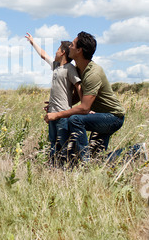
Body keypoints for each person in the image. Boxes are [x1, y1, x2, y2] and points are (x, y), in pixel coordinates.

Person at [44, 31, 125, 162]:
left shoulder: (93, 73)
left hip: (112, 117)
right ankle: (136, 151)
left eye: (73, 44)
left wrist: (57, 114)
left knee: (75, 119)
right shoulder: (79, 68)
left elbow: (85, 108)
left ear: (79, 50)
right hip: (99, 115)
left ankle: (84, 163)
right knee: (98, 159)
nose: (69, 46)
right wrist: (56, 105)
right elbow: (77, 97)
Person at [25, 32, 82, 157]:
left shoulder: (70, 68)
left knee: (64, 143)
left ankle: (66, 165)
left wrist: (85, 106)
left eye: (57, 49)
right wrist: (33, 42)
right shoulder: (56, 66)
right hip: (52, 112)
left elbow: (78, 86)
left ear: (62, 53)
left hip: (63, 113)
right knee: (53, 142)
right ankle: (53, 165)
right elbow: (43, 55)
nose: (55, 52)